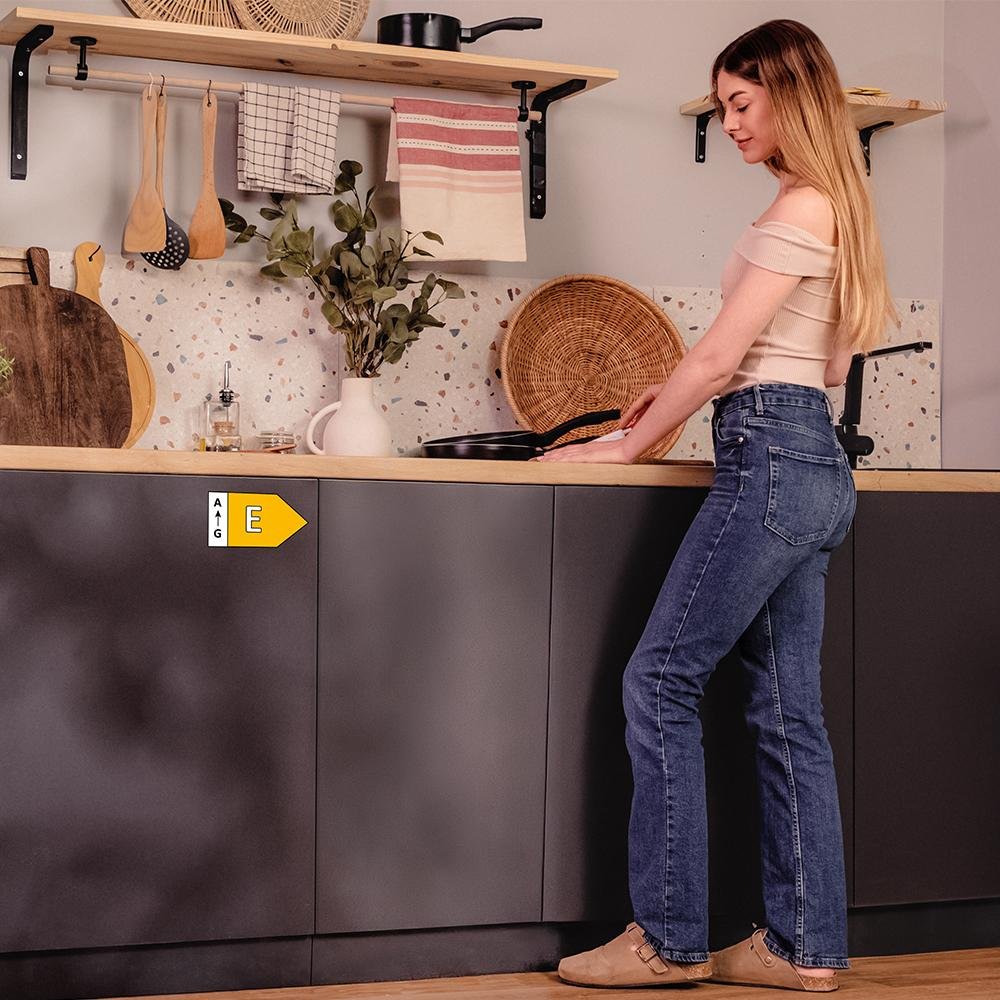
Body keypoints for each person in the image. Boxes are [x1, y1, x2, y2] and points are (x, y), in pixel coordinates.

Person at [534, 18, 899, 994]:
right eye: (724, 107)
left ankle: (668, 939)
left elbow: (720, 359)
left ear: (789, 95)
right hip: (815, 462)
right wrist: (668, 397)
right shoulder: (840, 207)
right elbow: (823, 367)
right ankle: (801, 948)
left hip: (769, 459)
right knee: (787, 713)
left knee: (659, 680)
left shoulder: (798, 208)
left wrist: (628, 443)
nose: (730, 122)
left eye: (740, 102)